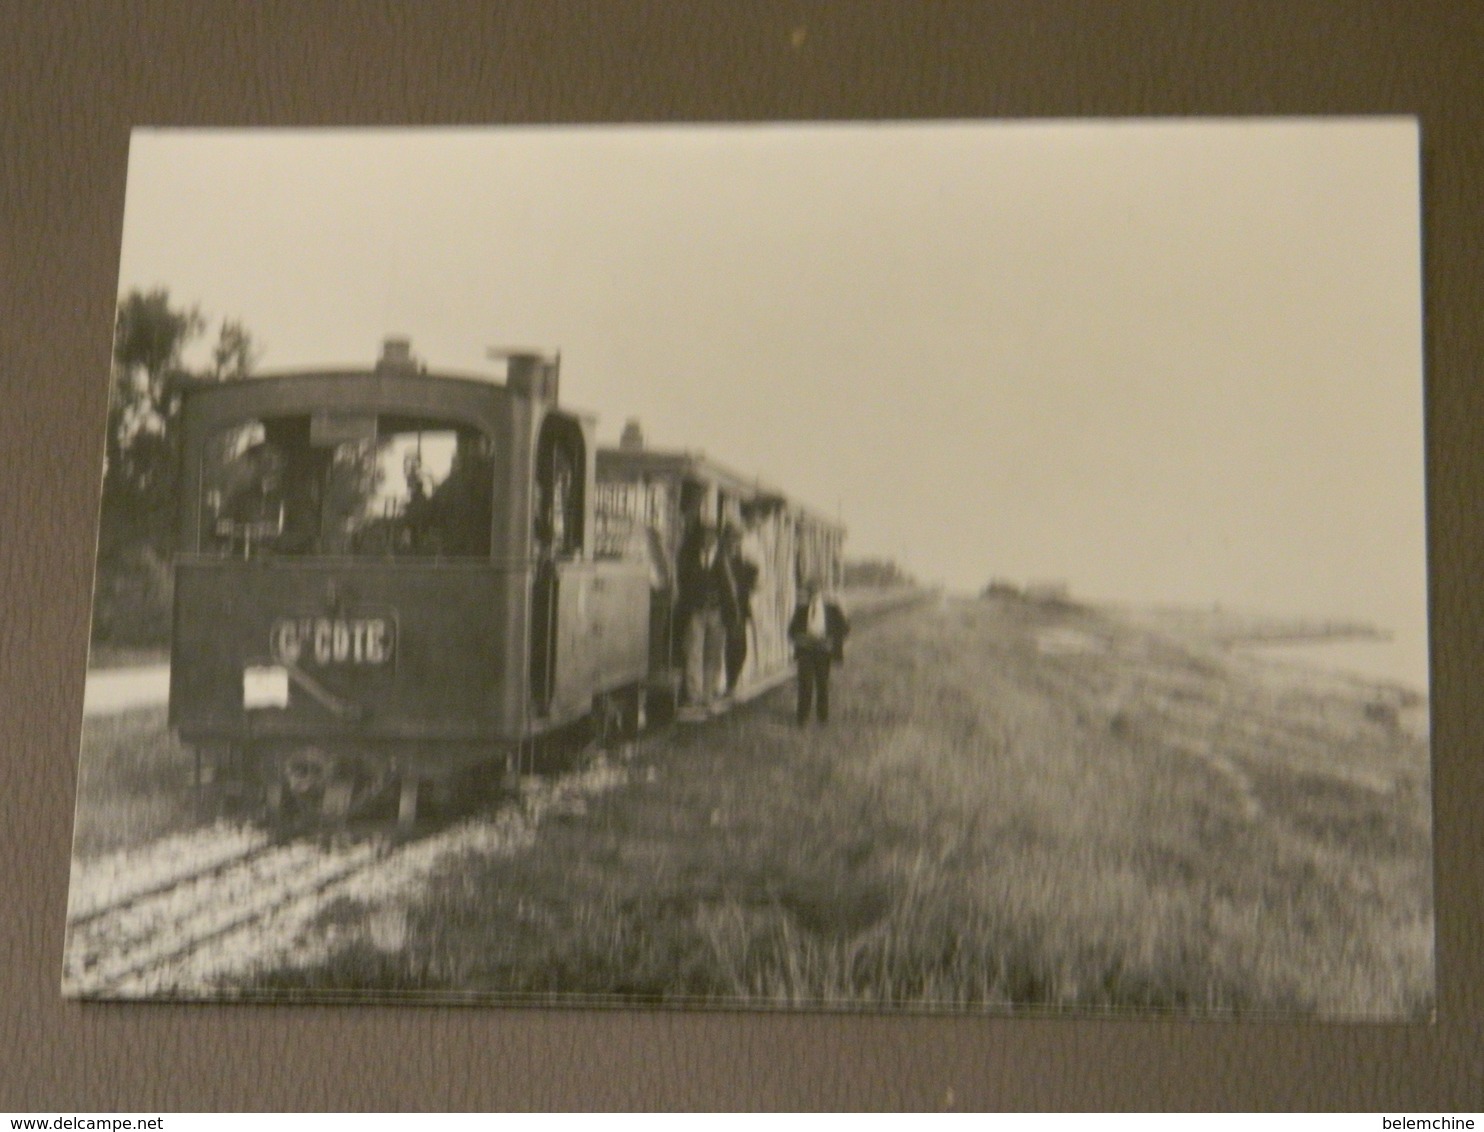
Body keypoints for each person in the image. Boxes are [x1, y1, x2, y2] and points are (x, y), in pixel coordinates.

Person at [675, 520, 727, 720]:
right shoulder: (690, 557)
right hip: (696, 611)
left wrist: (728, 613)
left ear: (716, 539)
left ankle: (709, 695)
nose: (708, 540)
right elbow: (684, 582)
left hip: (716, 612)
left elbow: (729, 587)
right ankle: (694, 697)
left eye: (711, 536)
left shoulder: (722, 559)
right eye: (704, 536)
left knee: (713, 654)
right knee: (693, 652)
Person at [788, 577, 849, 726]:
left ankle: (823, 719)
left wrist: (831, 640)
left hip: (823, 651)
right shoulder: (801, 609)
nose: (813, 594)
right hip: (806, 651)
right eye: (810, 592)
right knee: (805, 684)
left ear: (821, 591)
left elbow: (845, 628)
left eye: (816, 591)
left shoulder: (832, 608)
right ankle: (802, 719)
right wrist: (800, 638)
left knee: (822, 684)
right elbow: (791, 631)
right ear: (807, 593)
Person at [718, 522, 759, 696]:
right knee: (723, 647)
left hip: (738, 609)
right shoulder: (720, 558)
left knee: (739, 648)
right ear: (725, 538)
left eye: (738, 539)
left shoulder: (742, 561)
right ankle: (723, 684)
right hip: (721, 608)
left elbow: (752, 581)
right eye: (732, 538)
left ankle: (731, 682)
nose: (735, 542)